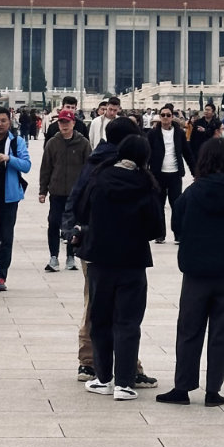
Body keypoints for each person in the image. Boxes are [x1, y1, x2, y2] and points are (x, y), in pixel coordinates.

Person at [158, 139, 224, 406]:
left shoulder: (192, 193)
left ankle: (182, 387)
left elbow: (177, 223)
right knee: (223, 333)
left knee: (189, 330)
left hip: (196, 273)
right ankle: (213, 390)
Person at [81, 132, 163, 400]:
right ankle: (125, 383)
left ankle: (103, 378)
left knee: (101, 320)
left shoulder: (99, 178)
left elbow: (82, 212)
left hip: (100, 260)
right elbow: (156, 228)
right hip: (133, 261)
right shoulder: (147, 184)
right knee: (128, 323)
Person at [0, 106, 31, 290]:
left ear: (9, 122)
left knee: (6, 238)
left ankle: (1, 275)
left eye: (3, 121)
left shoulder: (17, 142)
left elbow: (26, 166)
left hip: (8, 199)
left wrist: (8, 159)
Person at [39, 109, 91, 270]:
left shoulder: (83, 143)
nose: (64, 125)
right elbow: (46, 168)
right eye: (61, 122)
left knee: (73, 225)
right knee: (54, 223)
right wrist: (43, 190)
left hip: (76, 194)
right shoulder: (53, 143)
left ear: (73, 123)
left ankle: (71, 256)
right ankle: (53, 256)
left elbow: (89, 168)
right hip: (57, 191)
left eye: (67, 122)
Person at [146, 105, 189, 243]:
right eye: (163, 115)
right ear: (159, 117)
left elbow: (187, 153)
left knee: (177, 204)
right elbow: (146, 154)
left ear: (172, 117)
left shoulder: (179, 133)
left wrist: (197, 172)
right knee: (158, 205)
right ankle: (160, 234)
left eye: (168, 115)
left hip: (175, 173)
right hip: (158, 174)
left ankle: (178, 234)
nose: (165, 118)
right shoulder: (152, 134)